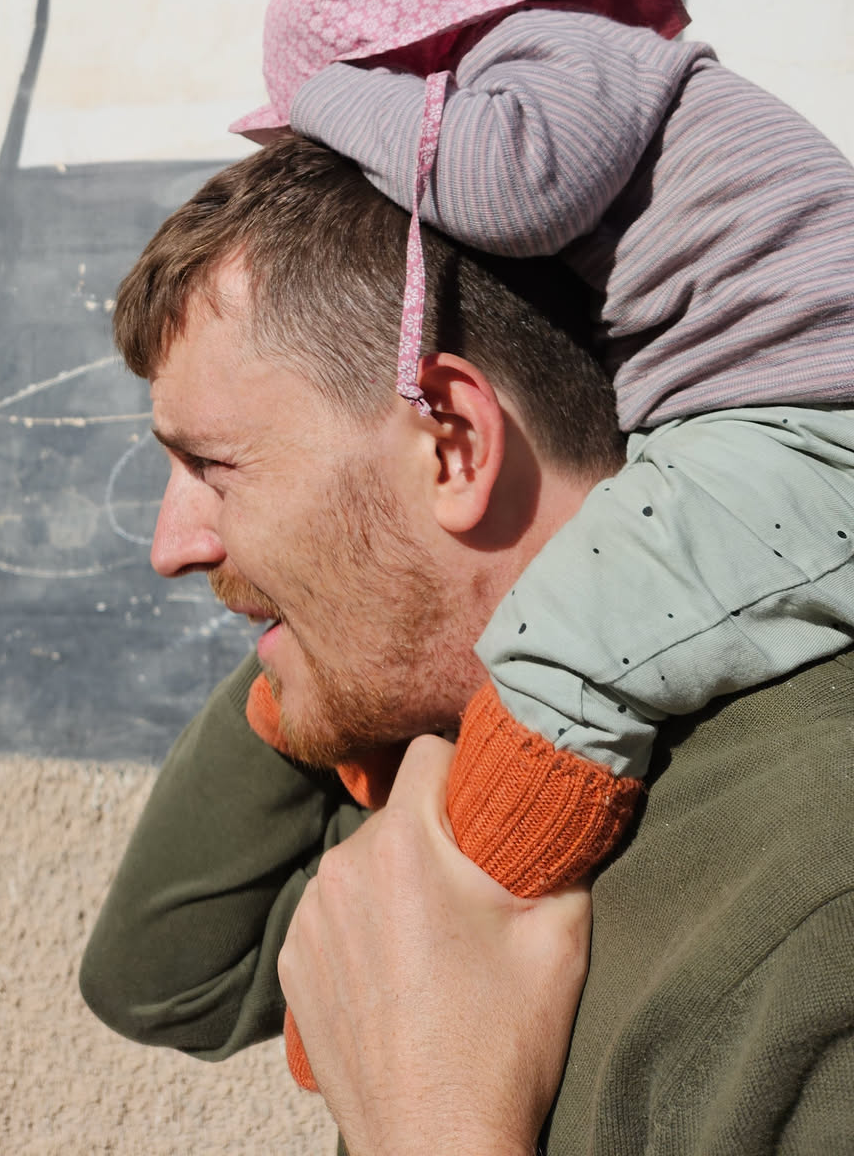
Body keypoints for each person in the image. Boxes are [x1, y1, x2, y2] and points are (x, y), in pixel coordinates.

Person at [80, 137, 854, 1152]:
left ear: (452, 445)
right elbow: (162, 982)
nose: (171, 546)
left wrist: (436, 1127)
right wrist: (322, 639)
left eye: (213, 468)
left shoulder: (818, 893)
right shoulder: (434, 748)